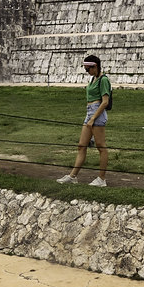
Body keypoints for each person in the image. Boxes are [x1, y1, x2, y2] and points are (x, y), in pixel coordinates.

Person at [57, 54, 112, 187]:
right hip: (90, 112)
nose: (87, 71)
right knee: (81, 145)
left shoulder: (103, 80)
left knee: (101, 147)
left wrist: (93, 118)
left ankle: (102, 179)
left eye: (88, 69)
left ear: (95, 66)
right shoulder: (94, 79)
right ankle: (73, 176)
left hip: (96, 113)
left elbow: (105, 102)